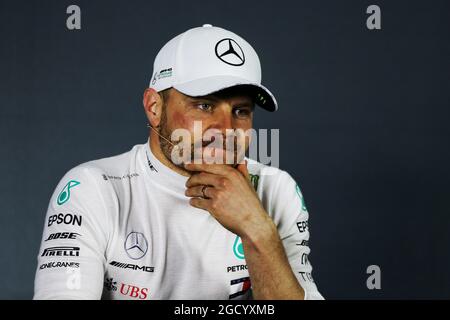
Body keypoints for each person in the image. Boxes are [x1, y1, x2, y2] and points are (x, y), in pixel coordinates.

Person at [33, 24, 324, 300]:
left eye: (241, 111)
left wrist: (256, 229)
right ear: (154, 107)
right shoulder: (94, 189)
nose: (225, 129)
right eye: (204, 105)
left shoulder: (276, 189)